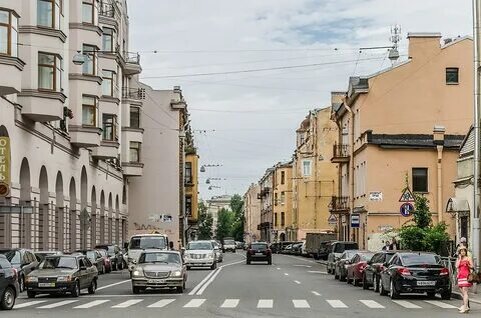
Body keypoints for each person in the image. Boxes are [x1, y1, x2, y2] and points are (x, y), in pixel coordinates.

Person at [456, 247, 473, 313]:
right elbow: (457, 266)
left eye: (464, 251)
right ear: (459, 252)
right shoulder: (459, 259)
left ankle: (465, 307)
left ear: (466, 252)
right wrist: (460, 259)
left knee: (465, 292)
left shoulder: (468, 258)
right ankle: (465, 306)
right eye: (461, 251)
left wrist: (468, 265)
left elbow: (472, 266)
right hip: (460, 276)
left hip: (466, 276)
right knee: (463, 293)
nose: (463, 252)